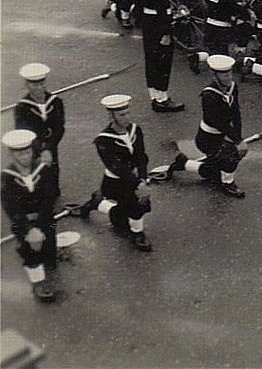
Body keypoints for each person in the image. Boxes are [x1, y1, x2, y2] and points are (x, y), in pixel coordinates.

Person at [72, 94, 153, 251]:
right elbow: (117, 167)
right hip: (115, 182)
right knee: (135, 206)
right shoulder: (103, 140)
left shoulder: (136, 131)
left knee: (123, 215)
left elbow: (141, 157)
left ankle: (98, 203)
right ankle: (138, 233)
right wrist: (138, 184)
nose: (127, 117)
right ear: (111, 116)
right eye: (122, 115)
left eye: (128, 113)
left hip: (134, 179)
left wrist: (143, 179)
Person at [166, 55, 248, 198]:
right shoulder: (209, 95)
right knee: (231, 156)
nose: (229, 78)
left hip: (222, 135)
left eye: (230, 74)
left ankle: (184, 164)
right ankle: (228, 183)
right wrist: (236, 141)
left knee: (214, 173)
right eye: (224, 75)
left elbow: (236, 112)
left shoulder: (232, 87)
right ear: (214, 76)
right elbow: (217, 121)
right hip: (207, 138)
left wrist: (239, 137)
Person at [1, 129, 59, 301]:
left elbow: (49, 199)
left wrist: (40, 226)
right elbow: (11, 208)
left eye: (27, 152)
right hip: (23, 222)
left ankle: (46, 260)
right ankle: (37, 282)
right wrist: (29, 230)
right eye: (20, 154)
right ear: (12, 155)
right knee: (31, 253)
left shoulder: (42, 169)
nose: (25, 157)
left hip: (43, 218)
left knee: (49, 258)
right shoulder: (6, 177)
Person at [132, 0, 185, 112]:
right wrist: (166, 33)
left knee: (151, 61)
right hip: (159, 24)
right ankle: (162, 99)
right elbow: (164, 9)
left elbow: (138, 6)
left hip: (148, 24)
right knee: (163, 63)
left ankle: (154, 96)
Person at [14, 63, 65, 200]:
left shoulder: (55, 102)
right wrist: (41, 150)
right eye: (34, 85)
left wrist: (49, 147)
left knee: (53, 172)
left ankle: (52, 196)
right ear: (27, 85)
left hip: (51, 144)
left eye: (41, 84)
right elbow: (23, 132)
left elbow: (59, 128)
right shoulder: (22, 107)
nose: (38, 88)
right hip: (32, 148)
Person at [189, 0, 246, 73]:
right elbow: (233, 9)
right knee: (221, 55)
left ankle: (197, 57)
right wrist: (243, 9)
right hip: (221, 29)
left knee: (214, 50)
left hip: (210, 27)